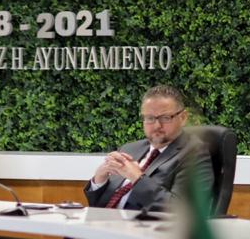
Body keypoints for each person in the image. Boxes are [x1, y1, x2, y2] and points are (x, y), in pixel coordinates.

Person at [84, 85, 214, 211]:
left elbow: (182, 210)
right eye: (150, 118)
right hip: (102, 222)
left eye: (165, 118)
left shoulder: (194, 153)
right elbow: (99, 206)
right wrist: (99, 180)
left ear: (183, 117)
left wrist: (137, 178)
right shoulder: (130, 149)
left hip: (142, 225)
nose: (157, 125)